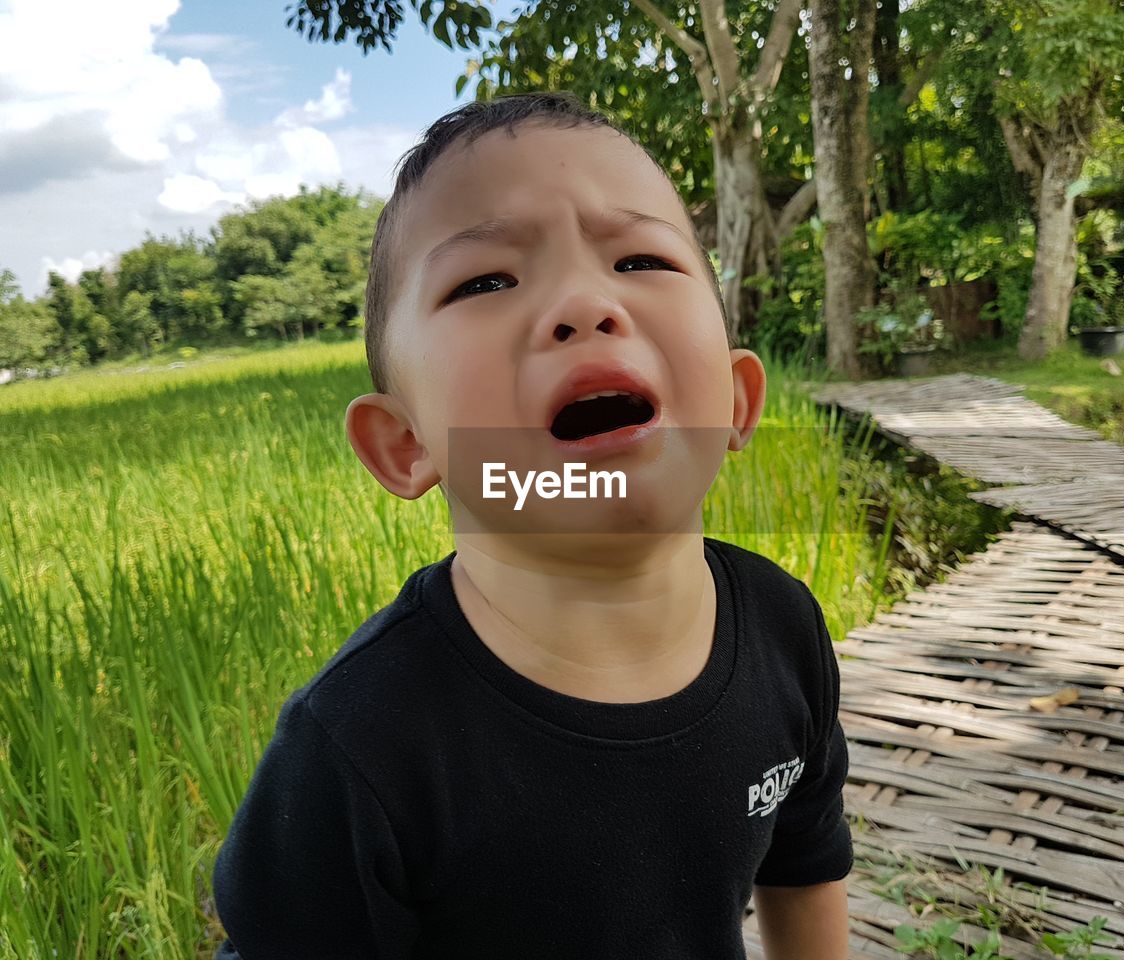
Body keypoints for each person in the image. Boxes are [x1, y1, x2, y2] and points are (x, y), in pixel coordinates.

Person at [211, 90, 852, 960]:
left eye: (641, 261)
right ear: (403, 445)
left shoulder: (783, 627)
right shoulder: (361, 748)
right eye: (487, 280)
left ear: (736, 399)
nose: (585, 305)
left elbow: (805, 865)